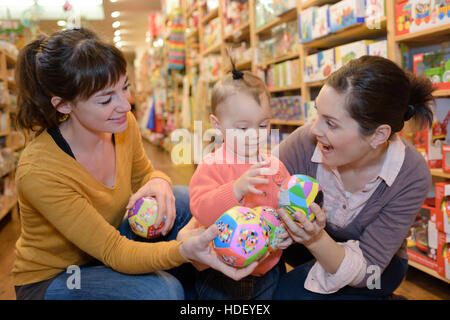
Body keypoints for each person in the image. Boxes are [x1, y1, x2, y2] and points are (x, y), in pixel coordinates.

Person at [12, 28, 258, 300]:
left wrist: (158, 181)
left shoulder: (120, 125)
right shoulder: (40, 170)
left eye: (125, 87)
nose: (126, 106)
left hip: (112, 241)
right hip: (59, 276)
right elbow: (113, 251)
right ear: (64, 106)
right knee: (159, 291)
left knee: (183, 199)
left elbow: (144, 174)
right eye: (106, 99)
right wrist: (182, 251)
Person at [273, 55, 435, 300]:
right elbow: (260, 186)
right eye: (318, 115)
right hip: (305, 249)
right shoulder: (305, 142)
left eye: (331, 123)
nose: (315, 129)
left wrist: (316, 238)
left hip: (375, 268)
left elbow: (369, 266)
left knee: (289, 295)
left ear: (379, 135)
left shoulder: (410, 174)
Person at [188, 59, 293, 300]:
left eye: (263, 125)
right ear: (217, 125)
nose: (255, 135)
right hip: (221, 276)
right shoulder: (212, 164)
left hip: (269, 270)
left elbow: (285, 209)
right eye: (243, 128)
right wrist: (234, 190)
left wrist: (288, 230)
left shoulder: (274, 166)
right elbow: (201, 211)